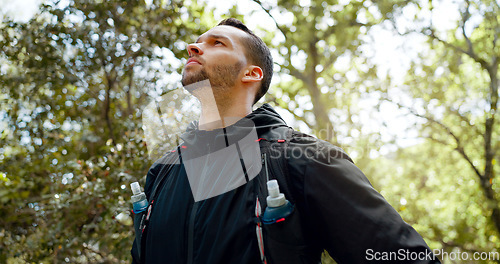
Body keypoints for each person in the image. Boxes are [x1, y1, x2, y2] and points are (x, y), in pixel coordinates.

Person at [131, 18, 441, 264]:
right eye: (197, 43)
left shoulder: (304, 159)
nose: (193, 48)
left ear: (251, 74)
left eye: (216, 43)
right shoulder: (163, 173)